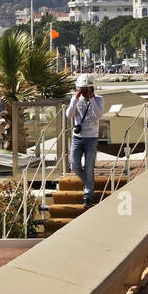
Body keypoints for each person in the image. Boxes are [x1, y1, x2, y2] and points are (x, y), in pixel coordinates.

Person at [66, 74, 104, 208]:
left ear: (92, 88)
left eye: (86, 89)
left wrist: (92, 98)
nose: (84, 91)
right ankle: (89, 183)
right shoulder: (75, 100)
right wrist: (75, 100)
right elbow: (69, 115)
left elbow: (98, 115)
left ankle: (88, 196)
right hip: (78, 138)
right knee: (75, 166)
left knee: (89, 168)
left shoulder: (99, 99)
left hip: (92, 138)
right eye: (82, 89)